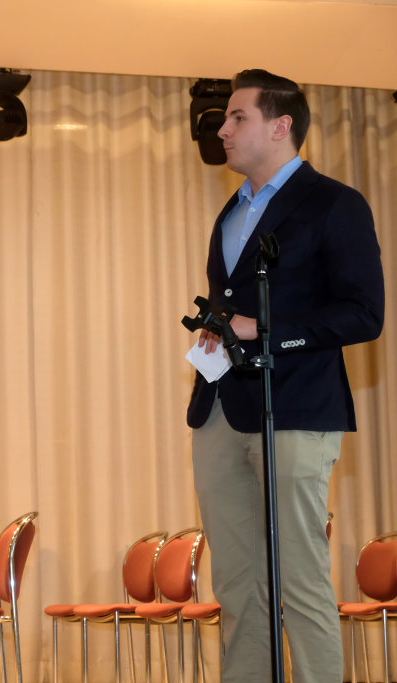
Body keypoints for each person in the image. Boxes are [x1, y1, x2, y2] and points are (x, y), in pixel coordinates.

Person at [188, 69, 384, 681]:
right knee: (237, 583)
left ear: (281, 127)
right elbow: (237, 303)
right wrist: (220, 326)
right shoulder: (231, 210)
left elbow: (365, 314)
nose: (222, 129)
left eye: (237, 117)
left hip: (296, 407)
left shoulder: (335, 203)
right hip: (221, 408)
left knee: (299, 578)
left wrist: (266, 331)